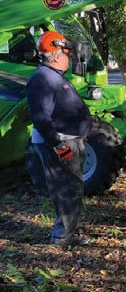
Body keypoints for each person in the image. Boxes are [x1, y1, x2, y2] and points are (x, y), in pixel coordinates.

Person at [26, 30, 92, 246]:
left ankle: (68, 232)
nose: (69, 57)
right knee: (65, 189)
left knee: (72, 188)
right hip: (59, 143)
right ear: (55, 55)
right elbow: (41, 118)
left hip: (69, 140)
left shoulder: (53, 76)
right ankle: (62, 237)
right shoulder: (42, 79)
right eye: (65, 54)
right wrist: (59, 145)